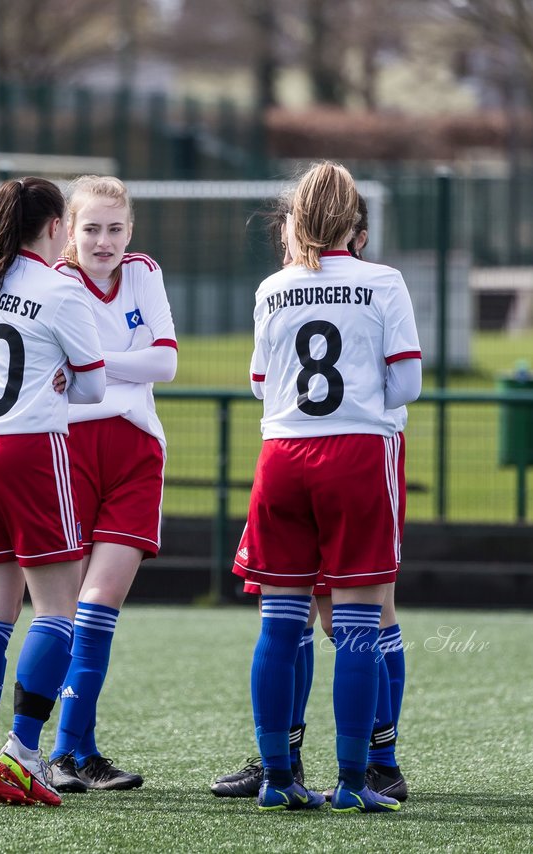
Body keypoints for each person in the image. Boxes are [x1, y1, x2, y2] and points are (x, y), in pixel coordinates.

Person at [231, 162, 421, 813]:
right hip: (356, 457)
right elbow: (407, 384)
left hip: (282, 457)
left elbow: (261, 383)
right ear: (354, 221)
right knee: (360, 628)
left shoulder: (273, 287)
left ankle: (277, 777)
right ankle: (352, 780)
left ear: (297, 217)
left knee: (280, 628)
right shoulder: (383, 281)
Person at [0, 176, 107, 807]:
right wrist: (64, 377)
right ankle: (23, 751)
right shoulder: (60, 288)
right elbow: (93, 388)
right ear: (53, 227)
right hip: (28, 451)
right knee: (56, 608)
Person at [44, 175, 178, 793]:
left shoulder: (144, 273)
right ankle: (75, 751)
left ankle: (70, 753)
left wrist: (94, 363)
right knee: (68, 612)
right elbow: (67, 371)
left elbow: (167, 362)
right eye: (90, 228)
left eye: (115, 228)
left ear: (131, 231)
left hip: (135, 450)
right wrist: (125, 361)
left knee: (99, 606)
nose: (103, 241)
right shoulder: (57, 283)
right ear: (68, 232)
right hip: (67, 451)